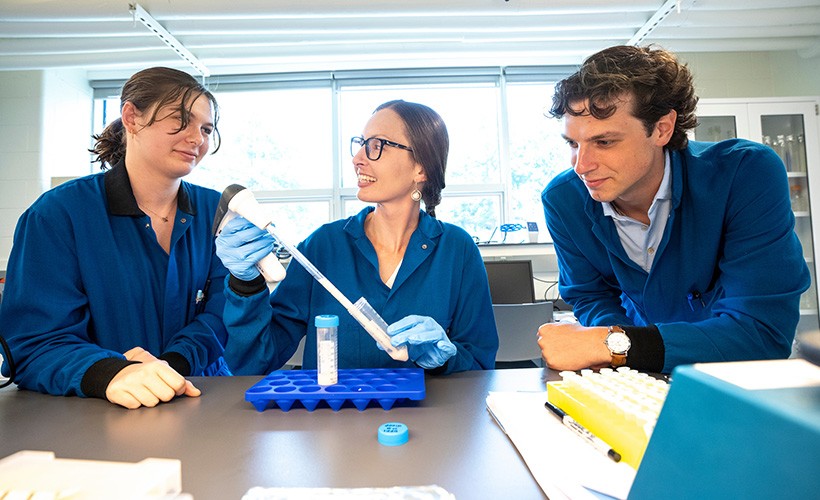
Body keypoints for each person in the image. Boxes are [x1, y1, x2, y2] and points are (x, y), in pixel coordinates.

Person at [537, 45, 810, 374]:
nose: (582, 165)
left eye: (604, 142)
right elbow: (591, 296)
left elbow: (761, 334)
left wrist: (610, 344)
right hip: (640, 376)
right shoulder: (563, 200)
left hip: (737, 380)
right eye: (573, 143)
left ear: (662, 129)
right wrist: (622, 355)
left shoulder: (746, 173)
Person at [0, 67, 231, 408]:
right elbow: (35, 341)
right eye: (181, 119)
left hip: (201, 397)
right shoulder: (58, 215)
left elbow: (221, 315)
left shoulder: (218, 212)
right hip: (96, 409)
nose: (197, 138)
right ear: (132, 118)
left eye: (206, 128)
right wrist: (113, 372)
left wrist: (171, 365)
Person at [216, 99, 498, 374]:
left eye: (377, 146)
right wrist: (246, 285)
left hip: (431, 418)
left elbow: (479, 364)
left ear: (420, 168)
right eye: (361, 144)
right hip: (333, 418)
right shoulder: (323, 246)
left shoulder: (456, 250)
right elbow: (255, 362)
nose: (357, 159)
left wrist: (445, 359)